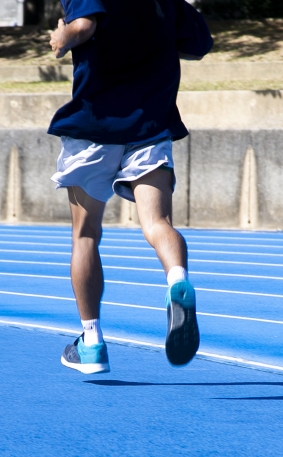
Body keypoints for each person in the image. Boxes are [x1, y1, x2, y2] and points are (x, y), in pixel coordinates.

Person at [48, 0, 213, 374]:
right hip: (151, 126)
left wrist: (62, 37)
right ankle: (177, 281)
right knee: (158, 224)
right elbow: (198, 46)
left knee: (86, 235)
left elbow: (85, 26)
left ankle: (90, 343)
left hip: (95, 127)